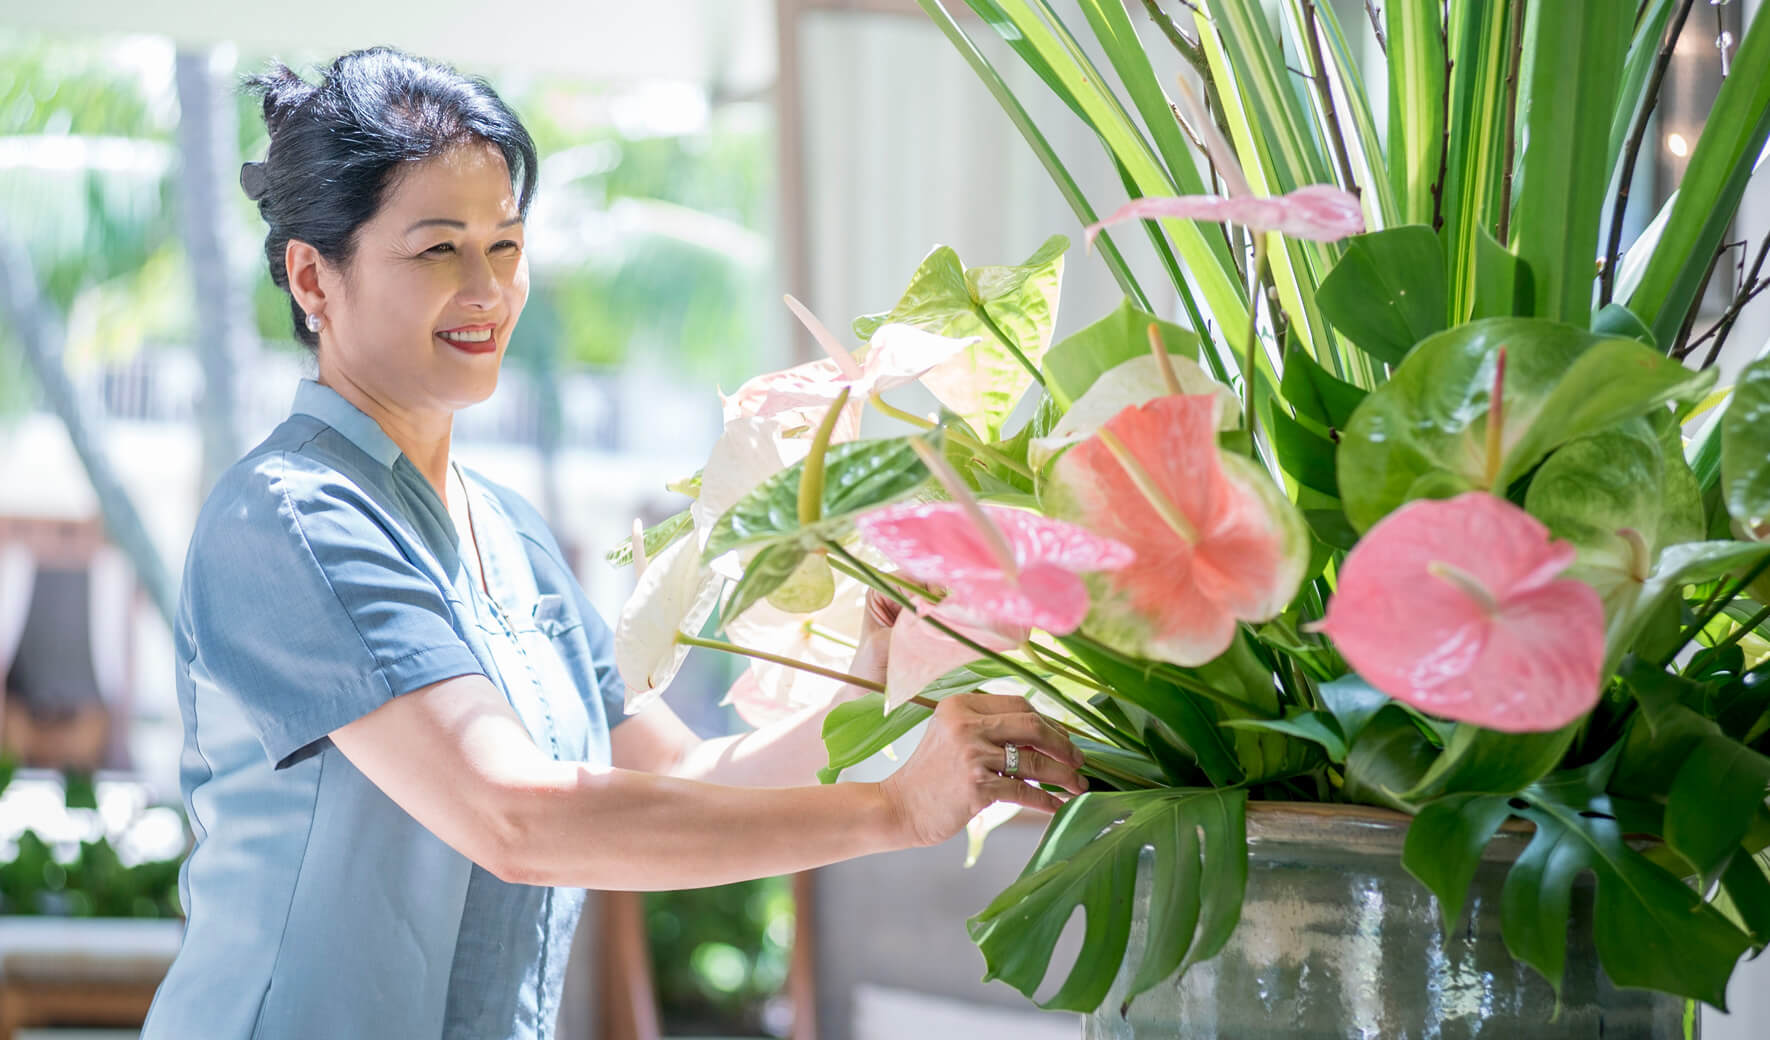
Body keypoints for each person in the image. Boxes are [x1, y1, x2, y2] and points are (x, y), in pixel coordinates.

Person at [137, 46, 1084, 1040]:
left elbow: (686, 774)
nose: (487, 290)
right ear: (311, 276)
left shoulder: (509, 534)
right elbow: (517, 815)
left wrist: (869, 683)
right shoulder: (289, 518)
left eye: (505, 245)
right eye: (437, 250)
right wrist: (893, 809)